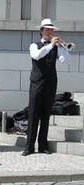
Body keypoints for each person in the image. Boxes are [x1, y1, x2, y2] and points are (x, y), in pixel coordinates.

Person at [22, 19, 70, 156]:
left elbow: (64, 61)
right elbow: (37, 56)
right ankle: (29, 147)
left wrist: (63, 48)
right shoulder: (34, 45)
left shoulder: (55, 46)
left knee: (45, 115)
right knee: (33, 115)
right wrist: (51, 46)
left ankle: (43, 146)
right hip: (37, 83)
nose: (50, 32)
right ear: (41, 30)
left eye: (51, 30)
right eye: (47, 29)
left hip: (50, 83)